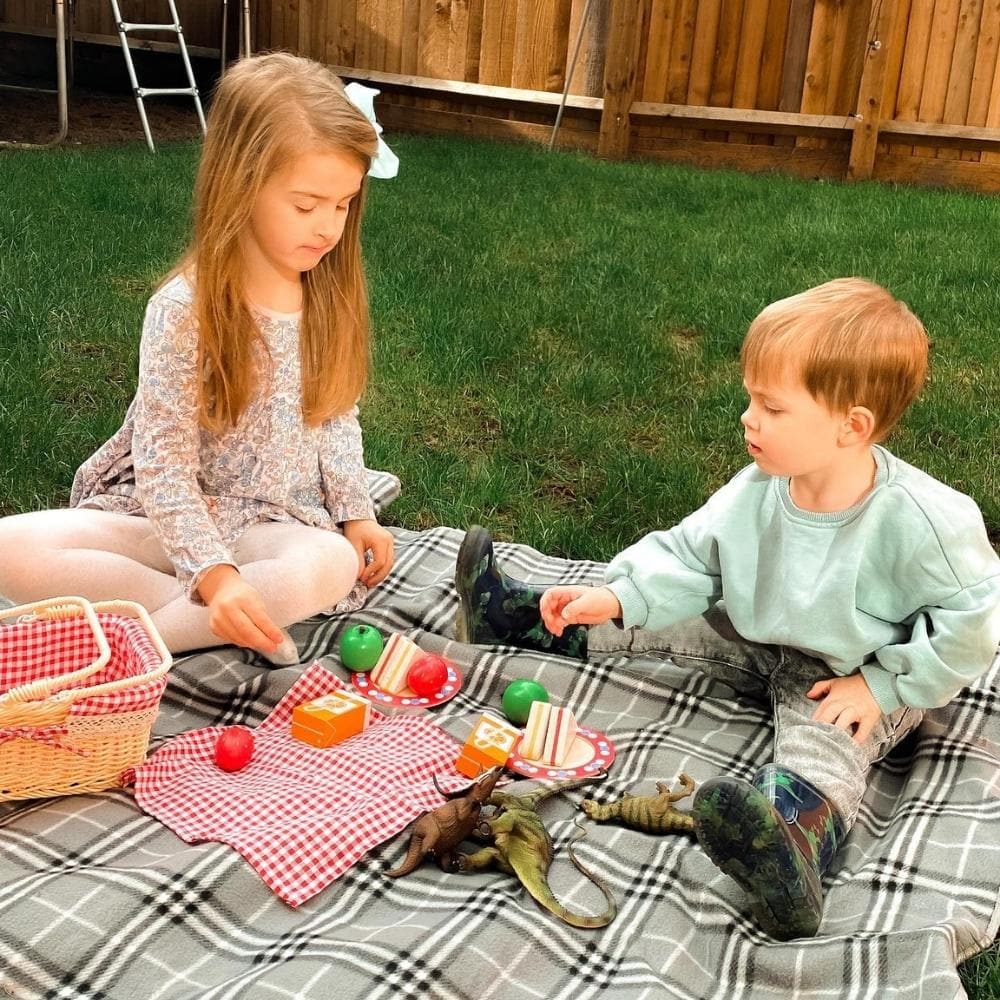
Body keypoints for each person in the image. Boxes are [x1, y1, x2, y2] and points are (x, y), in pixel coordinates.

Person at [454, 277, 1000, 940]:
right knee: (658, 616)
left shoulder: (924, 522)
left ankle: (791, 847)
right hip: (756, 632)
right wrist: (617, 594)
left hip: (851, 670)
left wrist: (883, 687)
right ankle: (518, 617)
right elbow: (690, 556)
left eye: (771, 406)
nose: (748, 417)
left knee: (827, 743)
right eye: (751, 399)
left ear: (850, 426)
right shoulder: (759, 489)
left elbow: (974, 622)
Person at [0, 53, 401, 664]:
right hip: (167, 519)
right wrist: (214, 575)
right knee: (9, 547)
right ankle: (222, 616)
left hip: (273, 525)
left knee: (326, 565)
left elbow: (335, 416)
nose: (327, 227)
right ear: (241, 184)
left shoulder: (325, 293)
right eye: (305, 204)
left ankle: (140, 639)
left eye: (343, 204)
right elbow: (162, 467)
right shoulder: (185, 309)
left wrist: (354, 513)